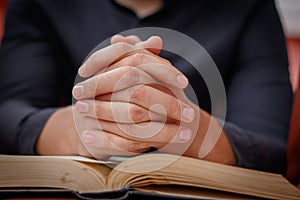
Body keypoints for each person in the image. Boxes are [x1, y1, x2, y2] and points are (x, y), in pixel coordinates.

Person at [0, 0, 292, 174]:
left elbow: (272, 149)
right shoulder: (41, 4)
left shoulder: (250, 7)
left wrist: (184, 124)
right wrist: (84, 127)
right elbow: (8, 114)